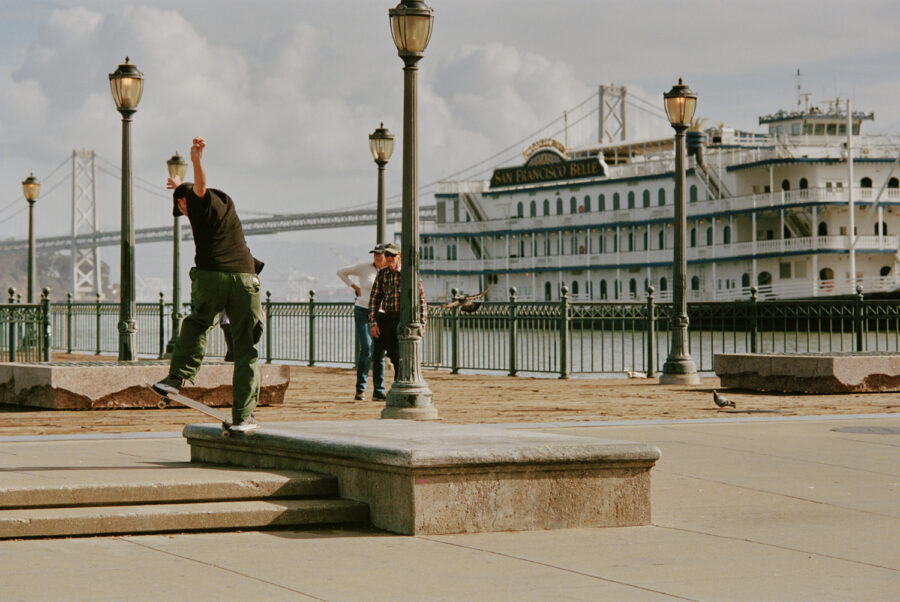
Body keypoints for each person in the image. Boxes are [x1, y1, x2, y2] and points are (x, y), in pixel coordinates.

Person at [153, 137, 264, 433]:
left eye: (181, 209)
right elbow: (193, 189)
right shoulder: (224, 206)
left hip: (212, 277)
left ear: (183, 202)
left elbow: (198, 187)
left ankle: (176, 378)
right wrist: (178, 181)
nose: (183, 214)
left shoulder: (198, 202)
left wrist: (196, 159)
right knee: (245, 349)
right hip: (244, 278)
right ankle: (243, 416)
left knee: (198, 323)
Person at [367, 242, 426, 394]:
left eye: (392, 255)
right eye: (387, 255)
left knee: (400, 355)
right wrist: (373, 322)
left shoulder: (409, 274)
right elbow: (374, 299)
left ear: (399, 257)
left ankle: (398, 385)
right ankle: (379, 390)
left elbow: (421, 300)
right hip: (387, 317)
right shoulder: (382, 274)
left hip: (404, 318)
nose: (388, 258)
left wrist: (422, 324)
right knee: (383, 354)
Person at [336, 244, 387, 400]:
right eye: (375, 254)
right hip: (363, 310)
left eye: (380, 254)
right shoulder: (364, 268)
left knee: (379, 352)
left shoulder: (388, 272)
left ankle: (379, 390)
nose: (377, 257)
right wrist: (354, 287)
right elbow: (341, 272)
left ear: (386, 256)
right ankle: (360, 389)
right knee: (366, 348)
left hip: (381, 313)